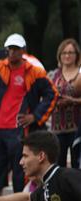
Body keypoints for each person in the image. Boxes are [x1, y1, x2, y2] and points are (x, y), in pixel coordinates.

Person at [0, 34, 57, 201]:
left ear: (23, 51)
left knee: (21, 171)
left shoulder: (35, 72)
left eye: (16, 49)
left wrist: (36, 116)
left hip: (19, 130)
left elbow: (52, 94)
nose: (12, 52)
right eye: (9, 49)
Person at [47, 39, 81, 167]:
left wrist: (72, 101)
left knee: (76, 164)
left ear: (76, 55)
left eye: (71, 52)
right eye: (64, 53)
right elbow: (46, 96)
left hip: (77, 127)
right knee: (57, 165)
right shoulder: (53, 75)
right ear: (59, 55)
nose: (67, 56)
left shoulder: (80, 74)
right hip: (57, 127)